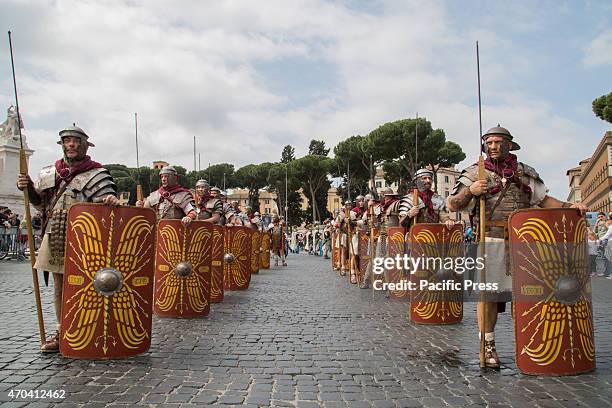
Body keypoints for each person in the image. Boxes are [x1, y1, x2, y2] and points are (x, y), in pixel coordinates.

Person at [447, 125, 587, 368]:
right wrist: (470, 190)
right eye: (489, 143)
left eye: (499, 142)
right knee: (488, 295)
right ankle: (488, 344)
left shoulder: (525, 173)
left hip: (524, 243)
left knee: (530, 294)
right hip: (490, 240)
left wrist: (569, 206)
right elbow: (453, 204)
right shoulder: (474, 172)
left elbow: (543, 201)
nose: (493, 147)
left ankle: (533, 345)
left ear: (509, 145)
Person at [16, 125, 119, 352]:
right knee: (60, 286)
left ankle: (90, 328)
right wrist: (28, 187)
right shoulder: (50, 172)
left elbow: (105, 204)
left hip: (87, 239)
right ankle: (63, 331)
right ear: (63, 145)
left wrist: (109, 200)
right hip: (56, 236)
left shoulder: (97, 174)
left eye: (75, 141)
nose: (71, 144)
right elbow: (39, 203)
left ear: (85, 145)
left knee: (91, 284)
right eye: (67, 141)